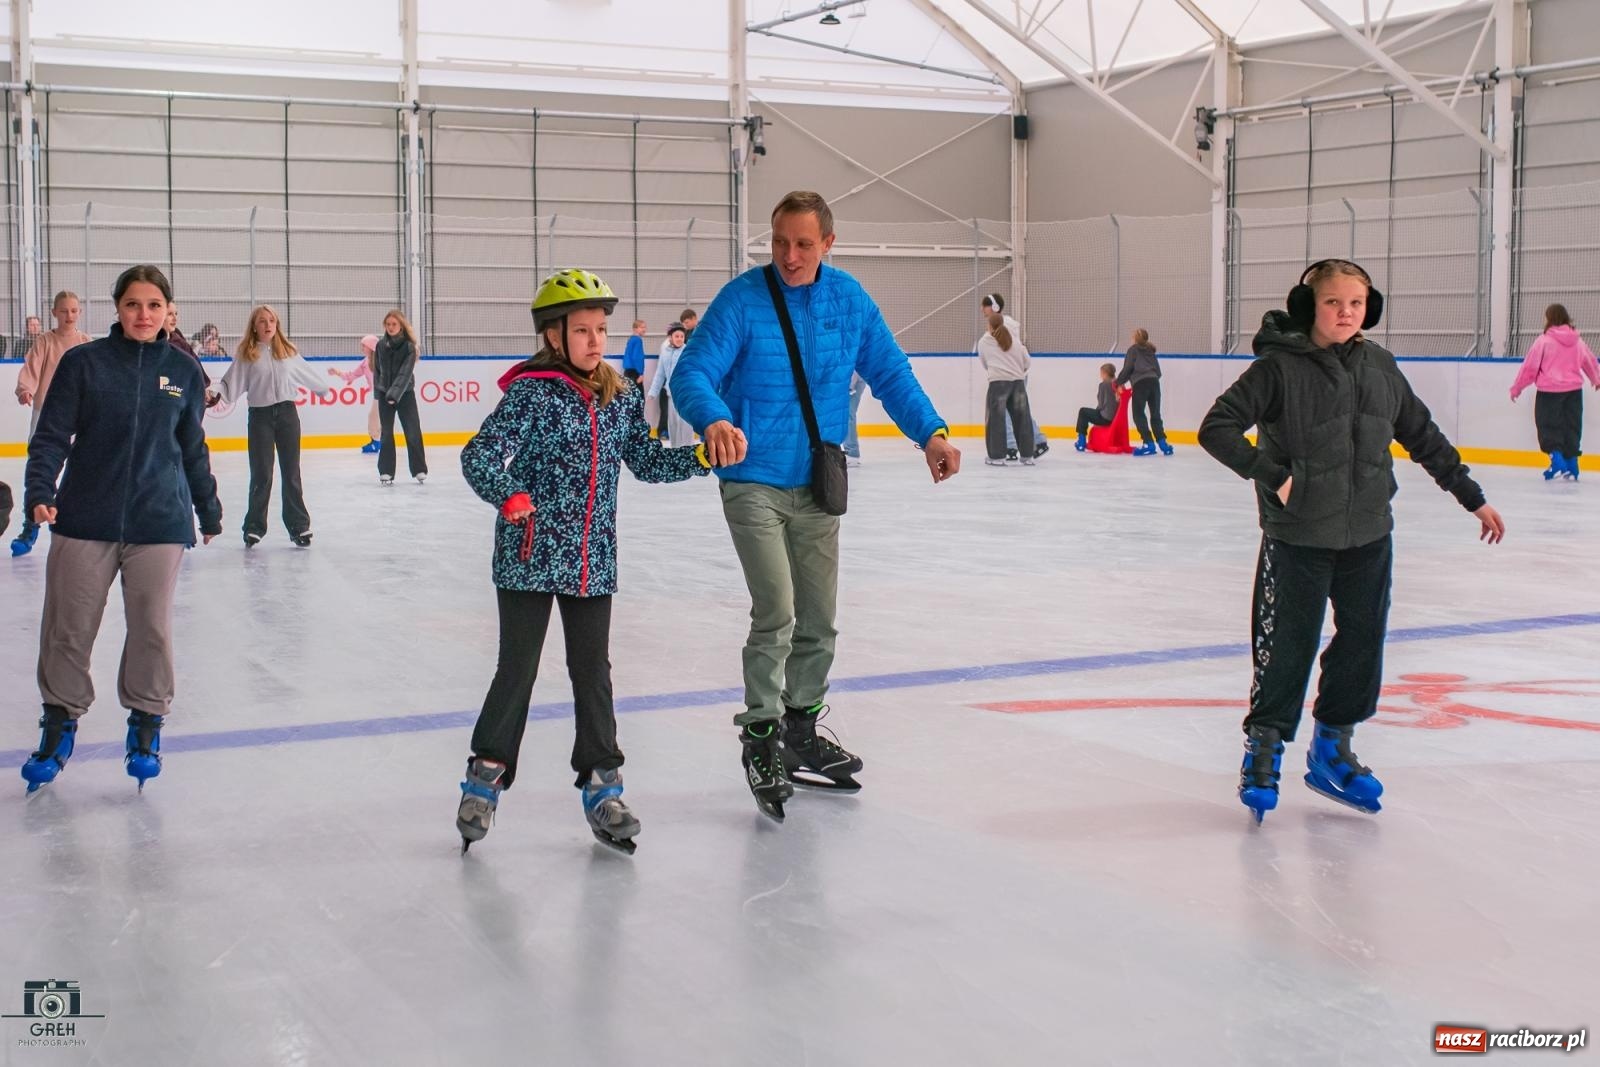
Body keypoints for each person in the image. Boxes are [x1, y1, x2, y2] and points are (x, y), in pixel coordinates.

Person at [671, 190, 961, 822]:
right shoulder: (743, 300)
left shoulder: (848, 300)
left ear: (829, 243)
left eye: (803, 244)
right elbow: (690, 373)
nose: (790, 255)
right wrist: (715, 417)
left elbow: (890, 372)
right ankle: (760, 736)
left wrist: (930, 432)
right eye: (779, 242)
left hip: (817, 484)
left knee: (820, 619)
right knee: (776, 608)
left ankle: (799, 728)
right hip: (752, 479)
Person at [1198, 258, 1506, 825]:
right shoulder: (1277, 370)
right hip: (1299, 535)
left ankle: (1332, 748)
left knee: (1362, 641)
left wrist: (1471, 496)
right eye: (1333, 302)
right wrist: (1275, 476)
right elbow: (1216, 427)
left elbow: (1423, 436)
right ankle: (1264, 749)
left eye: (1356, 304)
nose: (1345, 313)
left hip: (1369, 531)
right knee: (1289, 641)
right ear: (1307, 306)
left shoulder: (1380, 367)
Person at [455, 268, 713, 855]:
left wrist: (700, 457)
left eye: (601, 329)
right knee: (516, 670)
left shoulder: (618, 396)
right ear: (554, 336)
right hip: (528, 554)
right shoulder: (531, 393)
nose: (595, 340)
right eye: (582, 330)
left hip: (590, 561)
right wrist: (509, 495)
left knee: (591, 672)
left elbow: (645, 462)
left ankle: (603, 784)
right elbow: (479, 457)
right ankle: (484, 778)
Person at [19, 264, 222, 794]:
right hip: (86, 516)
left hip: (159, 518)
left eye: (154, 305)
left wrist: (209, 506)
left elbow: (192, 446)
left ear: (167, 311)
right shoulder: (84, 364)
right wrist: (40, 491)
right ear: (117, 308)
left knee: (151, 628)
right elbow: (51, 435)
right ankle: (59, 725)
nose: (143, 315)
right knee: (68, 626)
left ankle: (146, 724)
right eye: (133, 304)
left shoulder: (182, 370)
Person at [210, 305, 332, 547]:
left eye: (272, 321)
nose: (268, 325)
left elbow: (307, 374)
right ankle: (254, 527)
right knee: (262, 473)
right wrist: (214, 392)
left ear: (277, 325)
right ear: (254, 326)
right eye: (262, 321)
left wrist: (322, 387)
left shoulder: (287, 352)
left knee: (291, 472)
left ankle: (299, 526)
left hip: (287, 414)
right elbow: (229, 384)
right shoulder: (247, 354)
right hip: (260, 417)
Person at [12, 291, 92, 556]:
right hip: (46, 415)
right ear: (54, 313)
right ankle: (30, 525)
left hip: (80, 417)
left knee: (81, 470)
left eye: (73, 310)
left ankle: (77, 524)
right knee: (39, 468)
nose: (69, 315)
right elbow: (31, 368)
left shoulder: (85, 344)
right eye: (63, 310)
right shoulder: (45, 342)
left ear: (79, 312)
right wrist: (26, 388)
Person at [1509, 303, 1600, 481]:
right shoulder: (1577, 341)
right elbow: (1589, 360)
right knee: (1571, 425)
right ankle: (1572, 463)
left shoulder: (1544, 341)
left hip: (1549, 392)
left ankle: (1557, 460)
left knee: (1548, 425)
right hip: (1573, 392)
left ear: (1549, 318)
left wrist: (1517, 387)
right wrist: (1596, 379)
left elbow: (1530, 367)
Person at [981, 293, 1047, 459]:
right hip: (1014, 374)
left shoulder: (1006, 325)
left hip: (1010, 375)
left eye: (985, 305)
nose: (982, 309)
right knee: (1018, 411)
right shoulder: (1003, 325)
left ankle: (1011, 445)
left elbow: (1004, 350)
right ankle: (1037, 440)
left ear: (994, 307)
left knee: (1011, 411)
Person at [373, 310, 428, 485]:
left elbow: (405, 373)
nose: (390, 327)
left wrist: (394, 395)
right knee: (386, 433)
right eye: (388, 324)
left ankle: (419, 469)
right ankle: (386, 471)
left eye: (394, 324)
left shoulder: (409, 347)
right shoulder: (381, 345)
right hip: (384, 394)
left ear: (401, 326)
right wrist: (379, 394)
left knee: (412, 431)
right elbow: (377, 371)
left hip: (405, 394)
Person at [979, 310, 1035, 466]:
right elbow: (1027, 362)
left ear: (989, 326)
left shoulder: (984, 342)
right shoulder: (1015, 341)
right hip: (1018, 383)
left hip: (998, 384)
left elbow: (984, 363)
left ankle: (997, 457)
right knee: (1023, 419)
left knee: (996, 420)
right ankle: (1027, 456)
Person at [1117, 327, 1170, 456]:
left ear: (1135, 339)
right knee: (1155, 413)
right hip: (1154, 382)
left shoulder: (1133, 350)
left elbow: (1128, 368)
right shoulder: (1150, 351)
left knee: (1138, 414)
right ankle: (1163, 443)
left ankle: (1148, 443)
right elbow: (1158, 371)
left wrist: (1118, 383)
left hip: (1140, 384)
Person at [330, 334, 382, 454]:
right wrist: (338, 373)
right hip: (378, 394)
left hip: (386, 393)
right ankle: (376, 441)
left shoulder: (382, 360)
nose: (362, 348)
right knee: (375, 416)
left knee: (374, 416)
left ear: (371, 347)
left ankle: (377, 442)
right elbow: (351, 375)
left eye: (364, 346)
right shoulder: (365, 363)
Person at [649, 321, 689, 443]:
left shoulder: (687, 352)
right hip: (671, 395)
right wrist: (652, 392)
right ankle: (676, 453)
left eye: (682, 336)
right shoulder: (665, 353)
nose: (680, 339)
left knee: (685, 426)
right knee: (673, 426)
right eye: (677, 336)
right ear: (670, 337)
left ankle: (688, 455)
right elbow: (660, 374)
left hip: (685, 395)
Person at [1074, 363, 1120, 451]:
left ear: (1105, 373)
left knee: (1083, 411)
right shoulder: (1119, 384)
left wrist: (1096, 413)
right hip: (1116, 418)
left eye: (1101, 373)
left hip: (1105, 418)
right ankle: (1081, 440)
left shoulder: (1103, 385)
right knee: (1087, 412)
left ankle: (1081, 441)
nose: (1100, 375)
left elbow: (1101, 404)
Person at [164, 303, 211, 387]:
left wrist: (204, 386)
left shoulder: (180, 342)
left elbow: (195, 365)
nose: (175, 318)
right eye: (170, 314)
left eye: (176, 314)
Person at [842, 372, 865, 468]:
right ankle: (851, 452)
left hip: (854, 381)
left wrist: (850, 385)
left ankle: (852, 453)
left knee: (848, 415)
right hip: (852, 380)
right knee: (847, 415)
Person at [621, 319, 647, 385]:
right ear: (635, 329)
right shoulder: (638, 340)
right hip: (635, 371)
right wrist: (640, 373)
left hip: (627, 371)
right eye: (642, 327)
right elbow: (637, 357)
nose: (644, 329)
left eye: (645, 327)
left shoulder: (631, 339)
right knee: (638, 394)